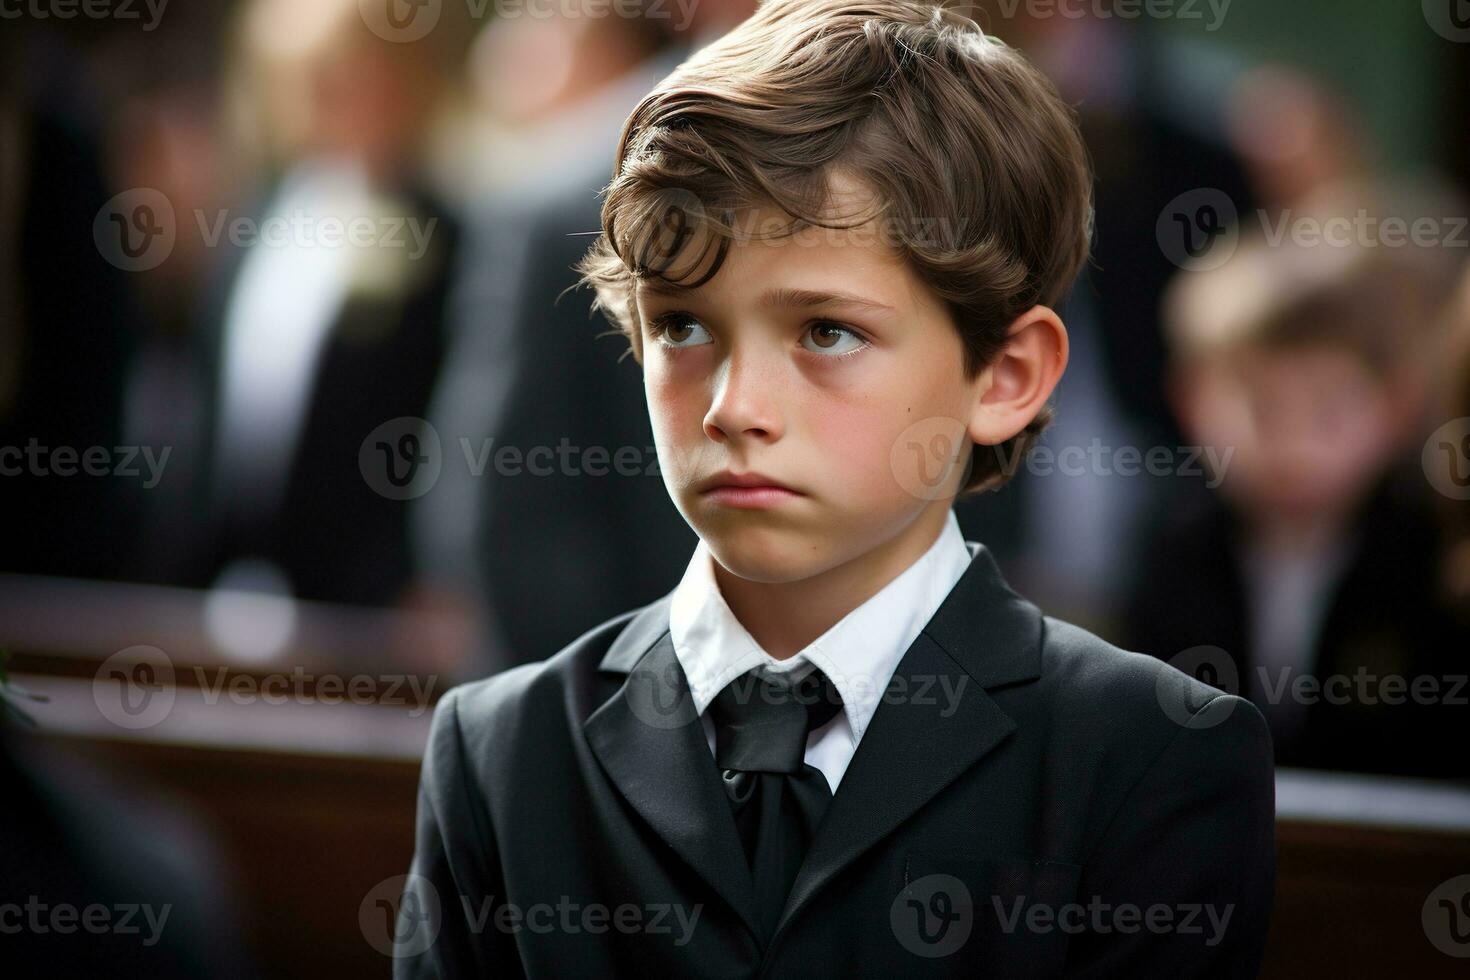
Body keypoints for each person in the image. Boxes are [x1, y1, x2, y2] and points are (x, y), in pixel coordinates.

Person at [398, 2, 1275, 975]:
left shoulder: (1147, 756)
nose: (736, 406)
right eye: (684, 326)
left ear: (1007, 374)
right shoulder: (502, 752)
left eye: (826, 331)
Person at [1126, 228, 1464, 778]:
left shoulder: (1434, 563)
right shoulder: (1169, 552)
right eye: (1260, 409)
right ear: (1190, 398)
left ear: (1397, 406)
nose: (1293, 446)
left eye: (1329, 411)